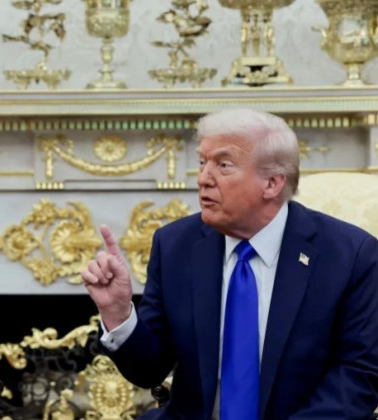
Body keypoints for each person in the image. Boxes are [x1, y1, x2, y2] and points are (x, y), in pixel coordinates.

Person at [82, 109, 378, 420]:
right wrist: (118, 314)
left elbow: (359, 376)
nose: (203, 178)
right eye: (202, 162)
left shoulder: (350, 255)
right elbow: (149, 371)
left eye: (223, 165)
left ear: (272, 183)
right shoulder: (176, 245)